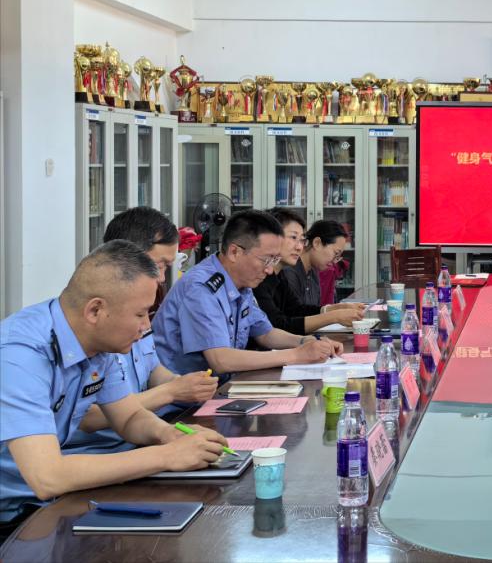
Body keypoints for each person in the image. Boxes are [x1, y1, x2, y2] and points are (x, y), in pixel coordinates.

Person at [0, 241, 229, 538]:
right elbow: (48, 476)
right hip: (12, 517)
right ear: (95, 310)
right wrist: (167, 456)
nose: (145, 327)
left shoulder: (99, 344)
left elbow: (129, 417)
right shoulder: (19, 355)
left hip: (47, 505)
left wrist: (169, 435)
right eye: (140, 314)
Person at [64, 208, 219, 455]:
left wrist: (180, 391)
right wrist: (171, 393)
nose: (161, 278)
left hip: (132, 442)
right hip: (94, 452)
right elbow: (87, 418)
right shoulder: (93, 328)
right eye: (159, 265)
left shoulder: (125, 316)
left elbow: (131, 405)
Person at [153, 209, 343, 376]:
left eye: (275, 260)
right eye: (266, 260)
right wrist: (295, 355)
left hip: (217, 390)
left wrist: (306, 341)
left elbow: (265, 333)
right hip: (183, 400)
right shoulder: (201, 288)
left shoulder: (241, 283)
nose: (270, 270)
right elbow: (221, 359)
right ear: (234, 252)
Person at [254, 208, 365, 334]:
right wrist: (334, 316)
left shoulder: (280, 274)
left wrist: (334, 309)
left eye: (301, 240)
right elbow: (277, 325)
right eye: (293, 237)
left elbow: (296, 310)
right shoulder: (259, 278)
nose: (299, 247)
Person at [280, 219, 350, 311]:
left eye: (338, 257)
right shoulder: (289, 272)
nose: (334, 262)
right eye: (336, 253)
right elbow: (294, 316)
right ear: (317, 243)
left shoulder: (313, 272)